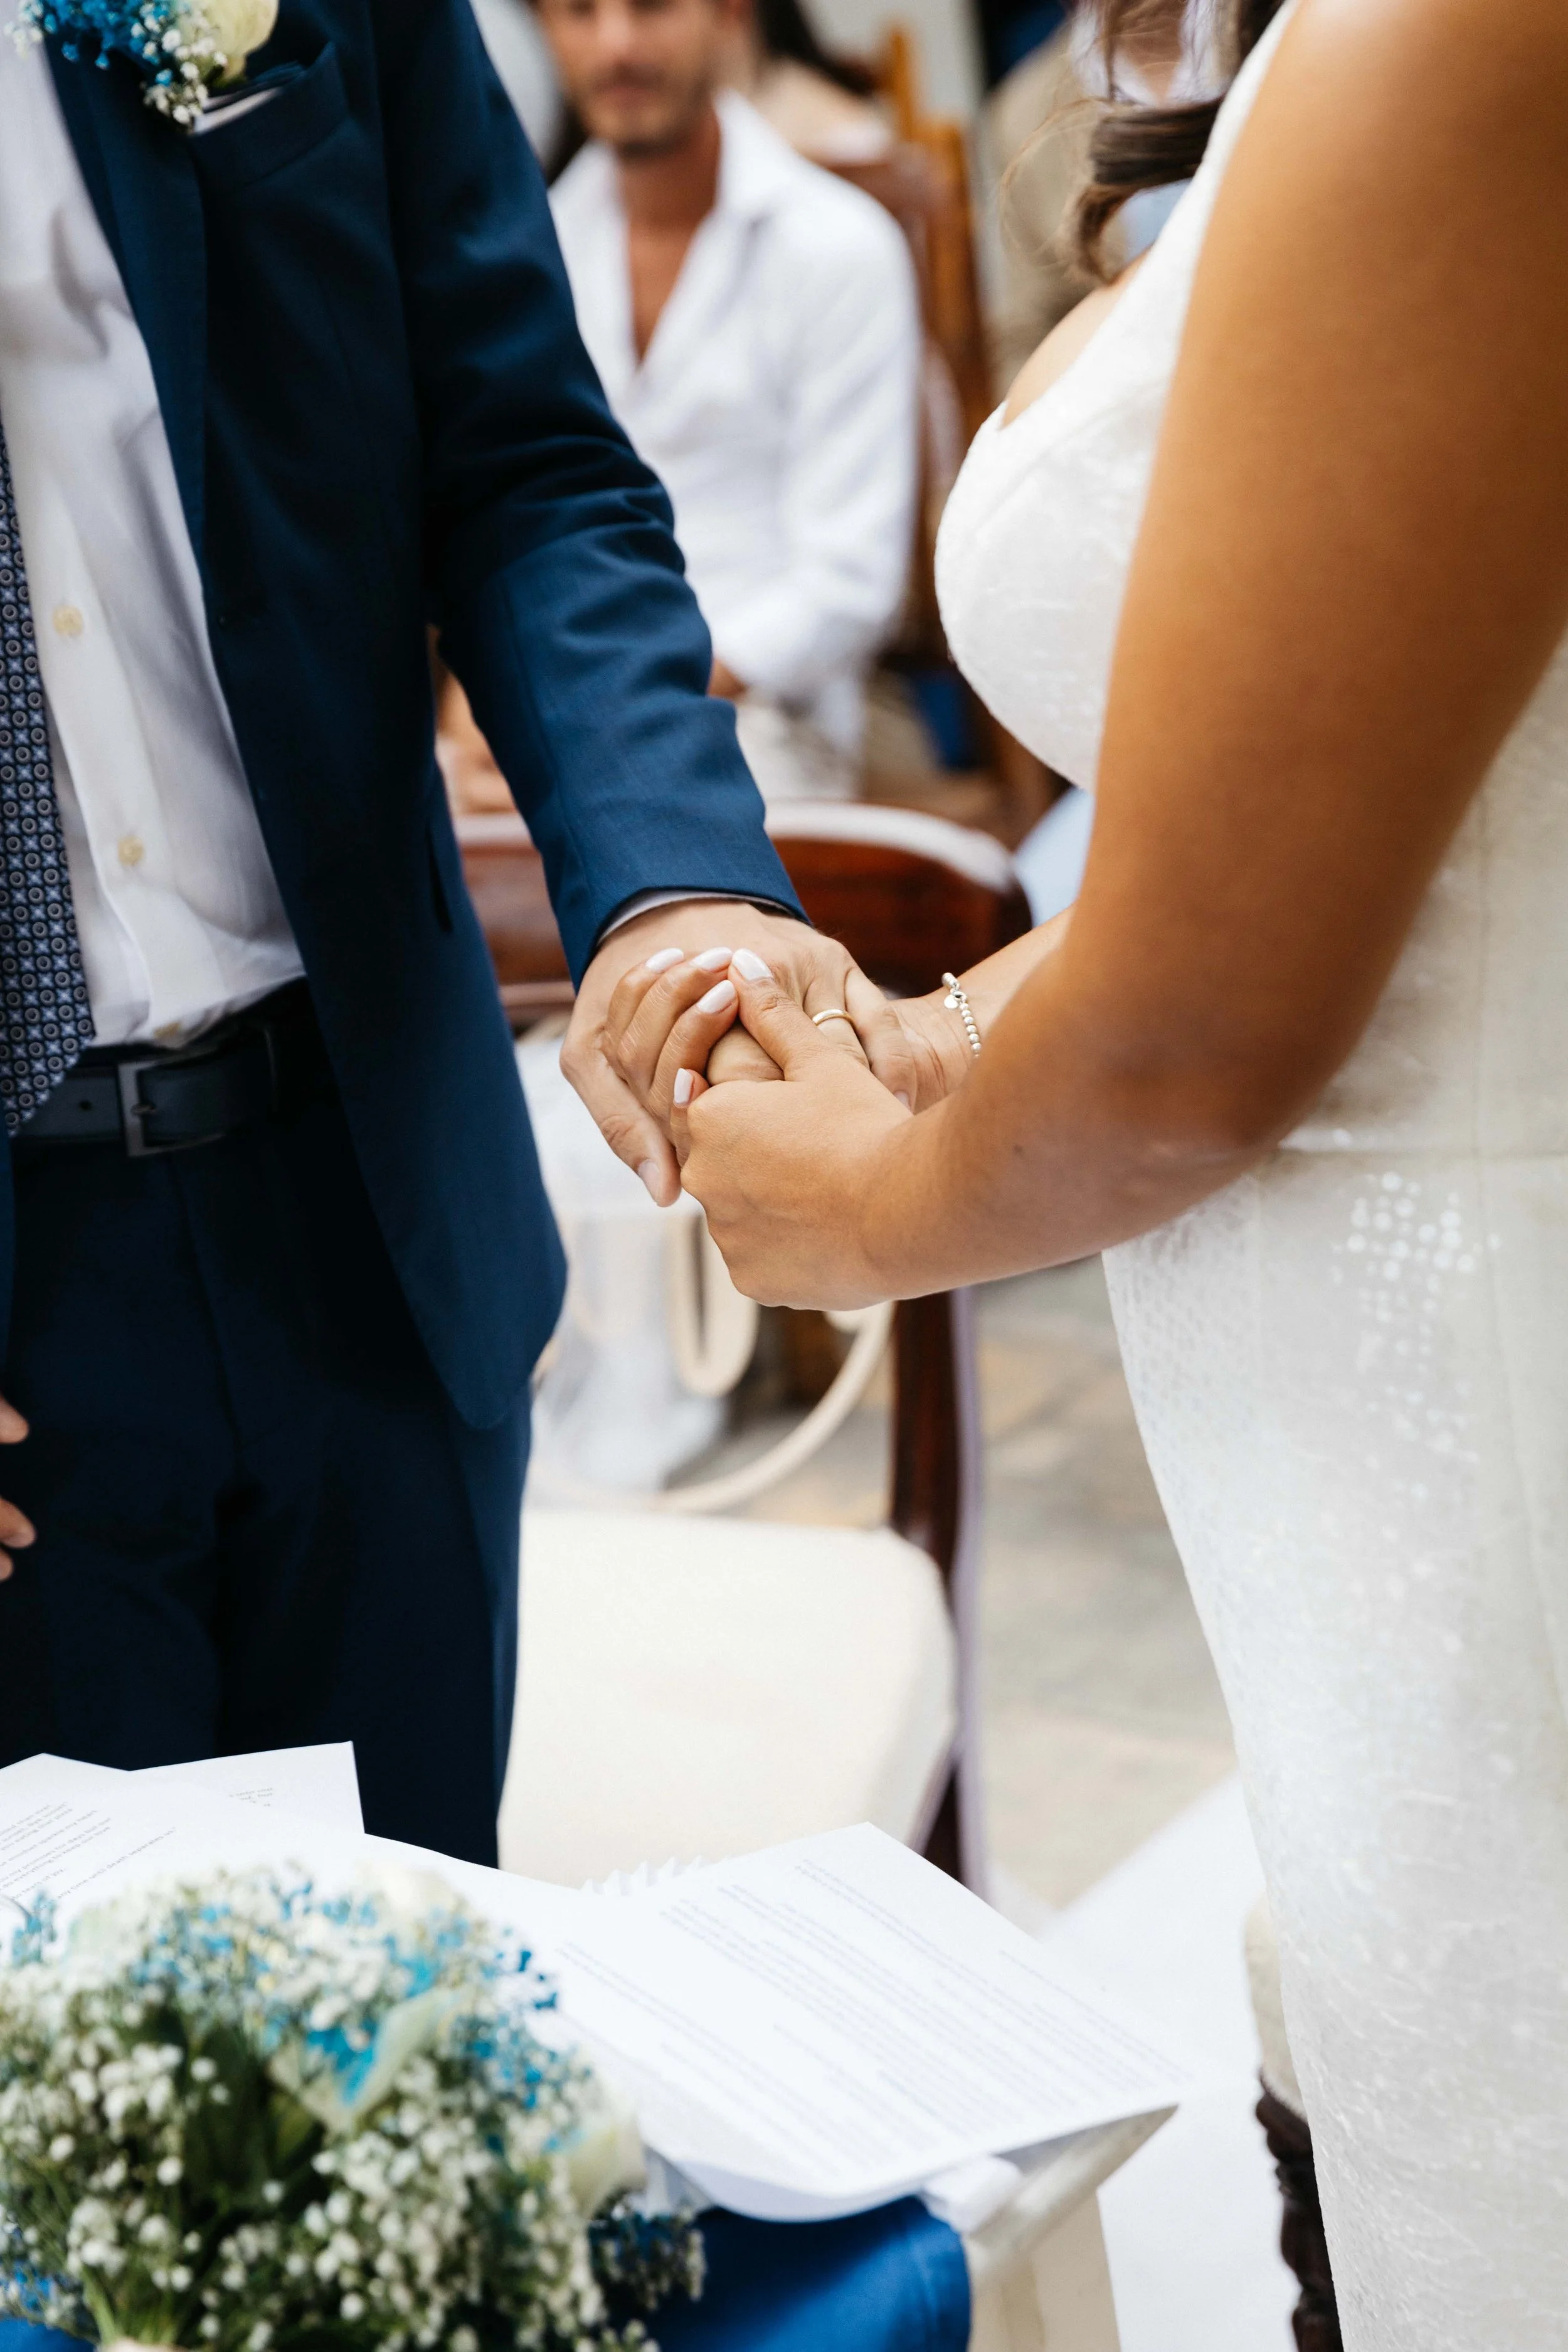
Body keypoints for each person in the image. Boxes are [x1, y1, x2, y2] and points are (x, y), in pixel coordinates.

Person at [610, 0, 1568, 2336]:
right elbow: (1340, 848)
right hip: (1381, 1550)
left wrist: (855, 1204)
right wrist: (923, 1029)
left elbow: (1196, 1046)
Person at [0, 0, 906, 1865]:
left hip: (372, 1199)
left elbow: (521, 461)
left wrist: (671, 887)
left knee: (421, 2021)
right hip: (23, 1304)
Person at [536, 0, 922, 803]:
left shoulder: (838, 247)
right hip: (553, 707)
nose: (617, 45)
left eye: (651, 7)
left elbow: (848, 583)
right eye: (579, 10)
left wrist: (627, 697)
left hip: (767, 720)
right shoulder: (531, 250)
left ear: (729, 13)